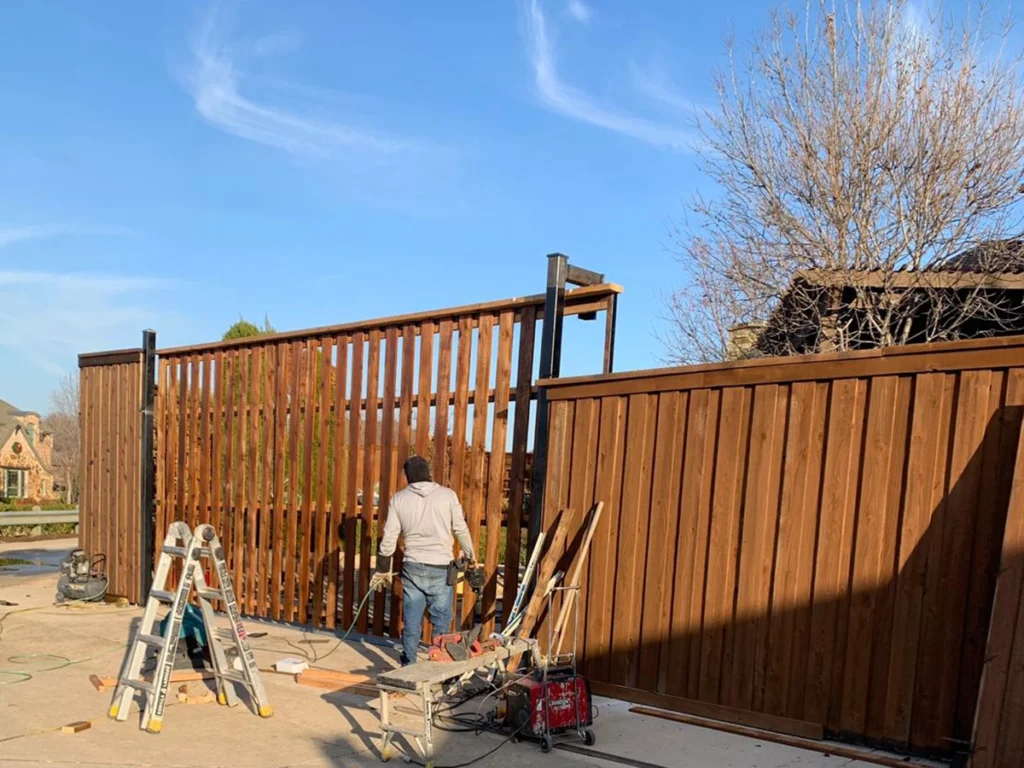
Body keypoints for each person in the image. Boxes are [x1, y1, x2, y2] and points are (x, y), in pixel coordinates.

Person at [370, 456, 476, 666]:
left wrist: (382, 568)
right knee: (441, 621)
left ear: (408, 476)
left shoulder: (399, 499)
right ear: (428, 473)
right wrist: (470, 555)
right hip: (441, 568)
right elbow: (460, 528)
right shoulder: (447, 495)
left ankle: (409, 663)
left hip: (413, 567)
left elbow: (389, 536)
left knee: (411, 621)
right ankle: (439, 665)